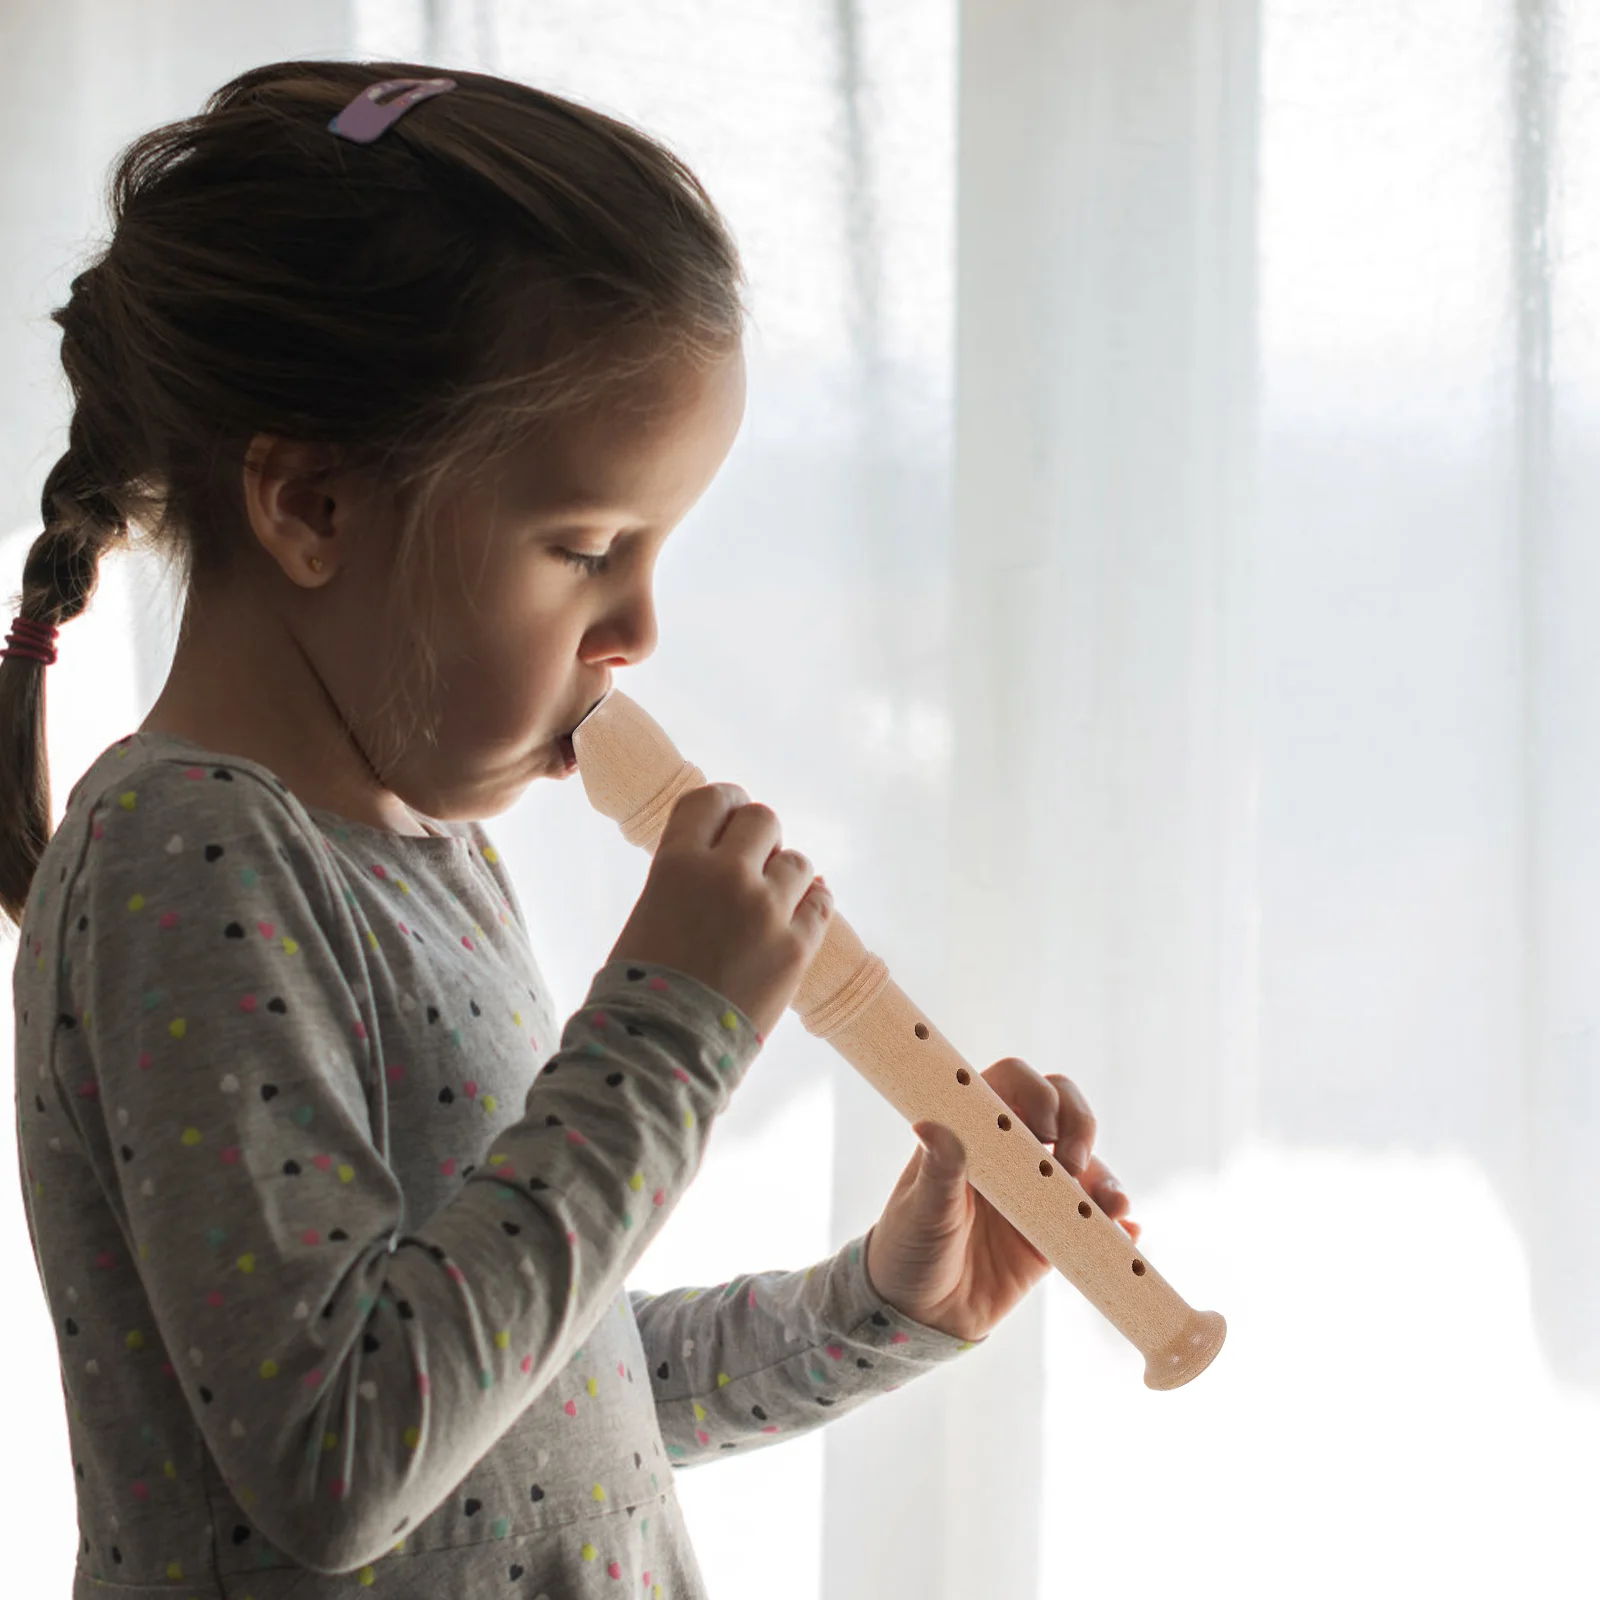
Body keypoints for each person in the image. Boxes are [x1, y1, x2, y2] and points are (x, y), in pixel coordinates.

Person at [0, 62, 1137, 1599]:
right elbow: (343, 1463)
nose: (640, 628)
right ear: (310, 507)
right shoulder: (176, 861)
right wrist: (665, 1036)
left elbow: (535, 1404)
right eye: (589, 547)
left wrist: (879, 1307)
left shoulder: (426, 863)